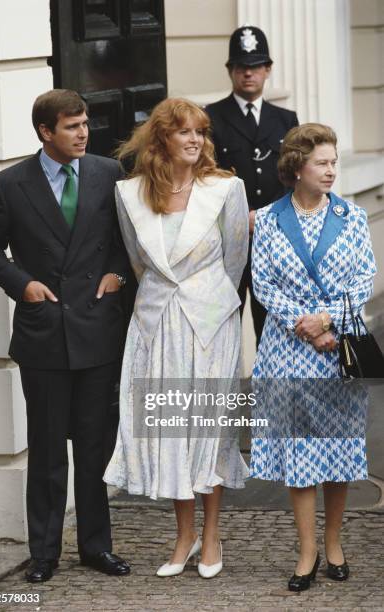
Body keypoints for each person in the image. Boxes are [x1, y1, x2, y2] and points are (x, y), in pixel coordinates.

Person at [0, 89, 131, 583]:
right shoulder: (10, 182)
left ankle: (95, 547)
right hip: (44, 332)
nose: (84, 133)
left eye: (85, 124)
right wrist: (24, 285)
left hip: (98, 328)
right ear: (46, 132)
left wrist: (118, 274)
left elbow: (134, 238)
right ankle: (43, 552)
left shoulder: (110, 173)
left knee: (93, 447)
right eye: (72, 126)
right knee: (45, 449)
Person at [103, 98, 249, 579]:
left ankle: (210, 537)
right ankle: (183, 537)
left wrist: (208, 304)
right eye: (185, 132)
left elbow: (234, 261)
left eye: (201, 132)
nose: (195, 140)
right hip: (156, 324)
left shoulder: (226, 189)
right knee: (171, 432)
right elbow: (139, 263)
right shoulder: (129, 194)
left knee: (207, 433)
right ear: (161, 138)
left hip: (210, 323)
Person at [250, 123, 376, 591]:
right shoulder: (267, 219)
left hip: (340, 351)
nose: (331, 170)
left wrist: (327, 321)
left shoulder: (353, 217)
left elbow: (364, 280)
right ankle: (306, 553)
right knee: (301, 454)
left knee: (338, 451)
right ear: (297, 166)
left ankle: (335, 542)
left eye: (334, 162)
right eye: (321, 162)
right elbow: (263, 285)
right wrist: (303, 324)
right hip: (288, 352)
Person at [205, 26, 298, 346]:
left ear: (268, 70)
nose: (248, 73)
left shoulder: (287, 120)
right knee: (223, 332)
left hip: (274, 243)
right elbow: (206, 178)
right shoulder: (211, 118)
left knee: (273, 334)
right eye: (241, 66)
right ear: (230, 70)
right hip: (228, 242)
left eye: (256, 66)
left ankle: (271, 398)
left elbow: (296, 180)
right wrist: (236, 217)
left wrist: (270, 217)